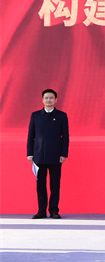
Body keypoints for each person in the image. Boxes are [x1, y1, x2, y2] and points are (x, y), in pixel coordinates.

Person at [26, 89, 69, 219]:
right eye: (46, 98)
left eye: (51, 98)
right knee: (40, 185)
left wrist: (64, 154)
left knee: (55, 184)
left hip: (56, 156)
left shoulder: (61, 116)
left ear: (55, 100)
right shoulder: (36, 116)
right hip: (39, 156)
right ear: (42, 100)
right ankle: (41, 210)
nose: (48, 100)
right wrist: (30, 153)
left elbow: (65, 137)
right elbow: (31, 136)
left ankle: (54, 210)